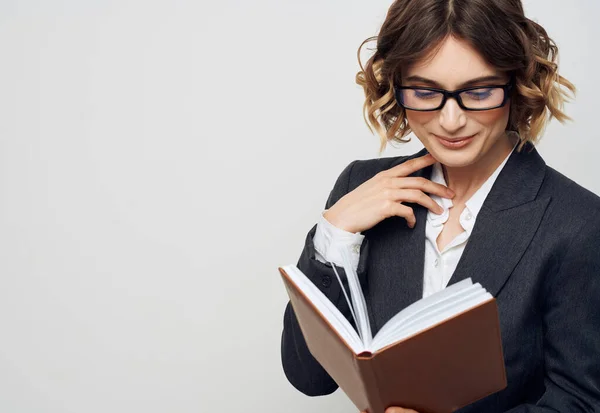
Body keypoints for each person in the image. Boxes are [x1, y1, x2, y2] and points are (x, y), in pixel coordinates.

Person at [280, 0, 600, 412]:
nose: (451, 121)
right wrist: (334, 234)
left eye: (479, 91)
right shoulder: (359, 186)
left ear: (517, 83)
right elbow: (309, 377)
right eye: (425, 92)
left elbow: (582, 403)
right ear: (395, 86)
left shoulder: (578, 224)